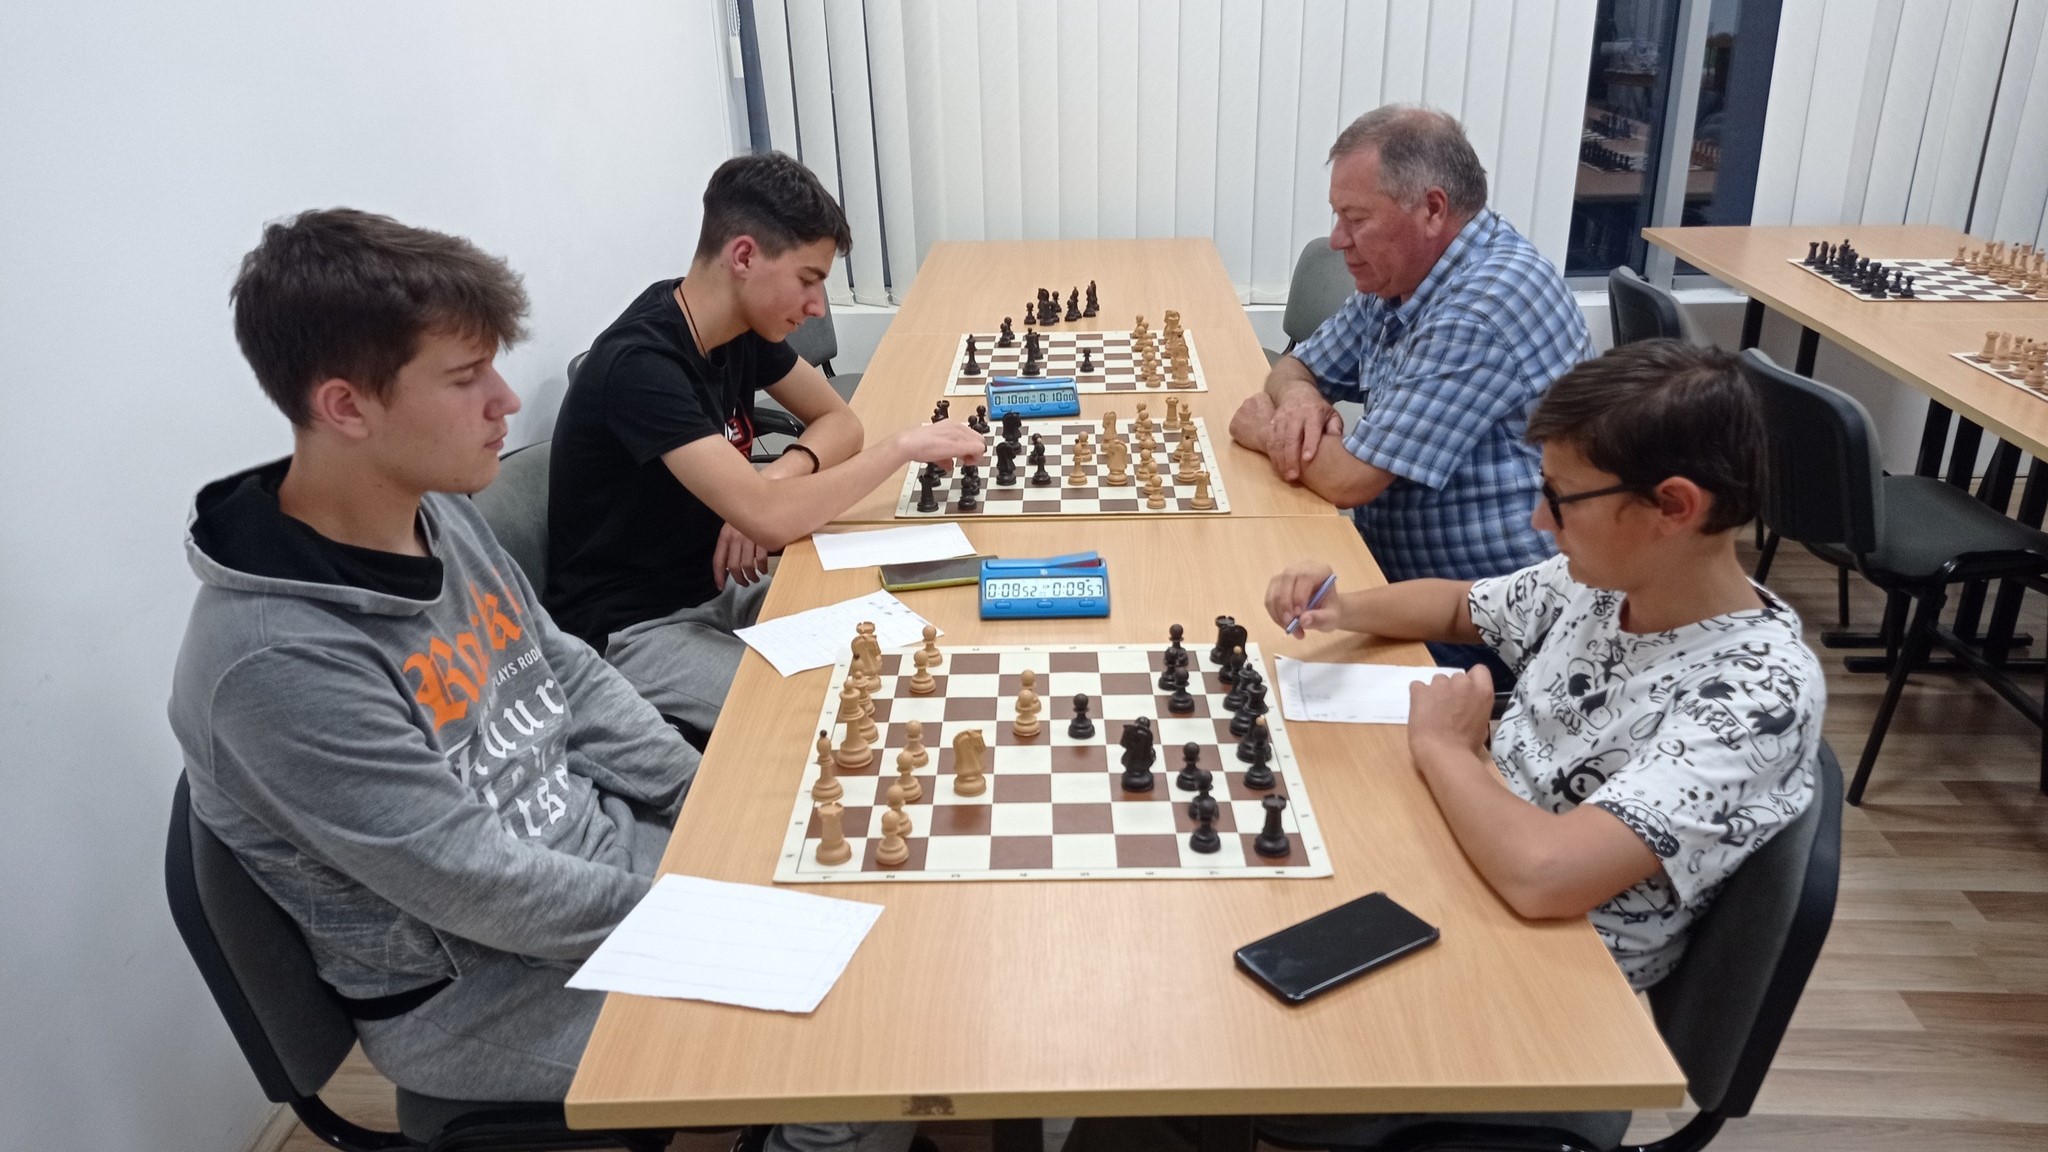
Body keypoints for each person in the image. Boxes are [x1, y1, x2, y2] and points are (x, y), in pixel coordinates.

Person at [169, 208, 915, 1152]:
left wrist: (710, 809)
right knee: (859, 1043)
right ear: (347, 407)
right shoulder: (272, 664)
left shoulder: (435, 516)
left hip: (602, 862)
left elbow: (566, 673)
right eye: (464, 377)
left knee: (881, 906)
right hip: (482, 990)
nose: (507, 401)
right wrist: (718, 911)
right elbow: (477, 884)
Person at [1071, 339, 1824, 1152]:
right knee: (1188, 917)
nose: (1538, 521)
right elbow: (1465, 609)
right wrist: (1342, 606)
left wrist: (1446, 751)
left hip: (1531, 994)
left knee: (1194, 1041)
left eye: (1560, 499)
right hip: (1459, 867)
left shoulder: (1755, 696)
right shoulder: (1614, 585)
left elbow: (1546, 876)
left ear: (1672, 507)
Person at [546, 152, 983, 730]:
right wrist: (900, 448)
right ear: (745, 256)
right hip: (632, 631)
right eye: (808, 280)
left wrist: (771, 480)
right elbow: (773, 519)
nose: (817, 306)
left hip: (719, 588)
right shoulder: (640, 366)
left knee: (910, 631)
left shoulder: (736, 329)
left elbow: (841, 423)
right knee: (837, 715)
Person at [1229, 105, 1592, 673]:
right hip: (1403, 584)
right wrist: (1299, 401)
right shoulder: (1404, 276)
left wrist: (1267, 426)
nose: (1338, 239)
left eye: (1356, 218)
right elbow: (1294, 368)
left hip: (1491, 629)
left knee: (1255, 658)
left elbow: (1349, 480)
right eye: (1337, 216)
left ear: (1432, 209)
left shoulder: (1481, 308)